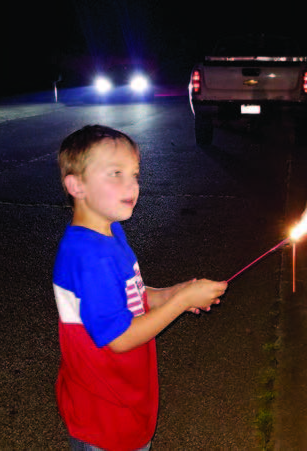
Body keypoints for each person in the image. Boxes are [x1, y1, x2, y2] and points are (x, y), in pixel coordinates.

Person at [52, 125, 227, 451]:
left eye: (135, 174)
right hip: (104, 413)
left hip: (122, 399)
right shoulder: (89, 258)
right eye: (115, 173)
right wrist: (181, 302)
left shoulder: (110, 231)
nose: (131, 185)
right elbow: (119, 338)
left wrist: (170, 295)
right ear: (76, 185)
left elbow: (129, 294)